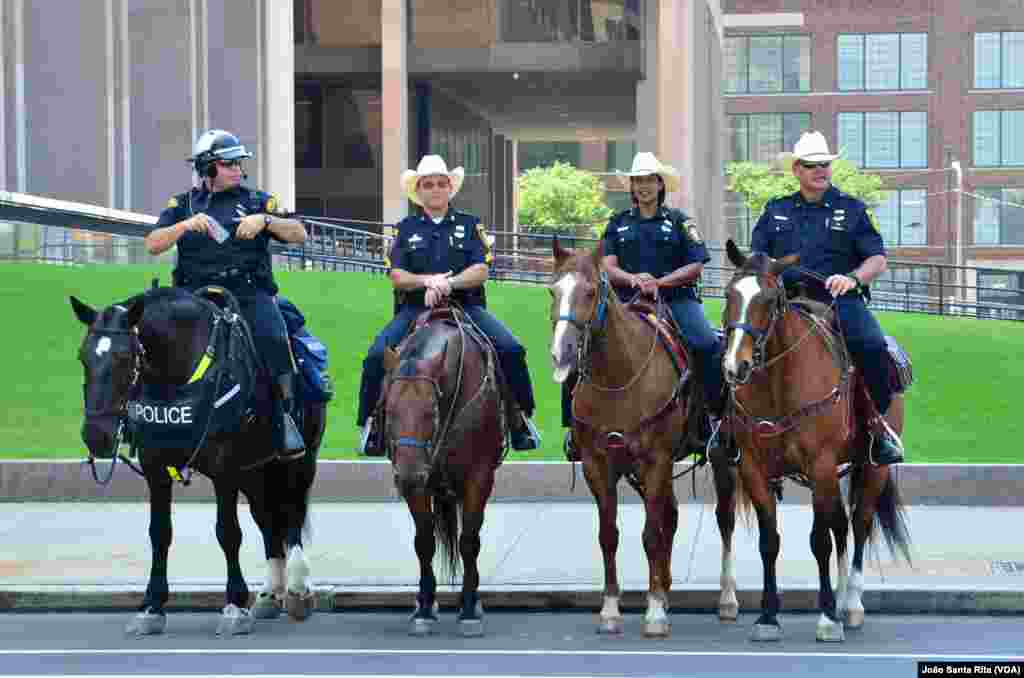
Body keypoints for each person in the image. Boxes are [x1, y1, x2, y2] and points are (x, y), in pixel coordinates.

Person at [357, 155, 541, 455]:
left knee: (511, 349)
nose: (435, 189)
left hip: (466, 307)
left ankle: (520, 419)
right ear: (419, 191)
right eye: (428, 184)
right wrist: (428, 281)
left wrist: (448, 284)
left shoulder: (470, 225)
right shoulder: (404, 228)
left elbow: (481, 270)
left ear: (450, 188)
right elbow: (397, 275)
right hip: (416, 309)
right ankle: (371, 425)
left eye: (441, 183)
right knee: (377, 354)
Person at [144, 129, 308, 456]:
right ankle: (143, 419)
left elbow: (300, 233)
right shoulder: (183, 204)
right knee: (148, 340)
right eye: (228, 163)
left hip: (247, 293)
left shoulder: (258, 200)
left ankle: (284, 418)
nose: (237, 169)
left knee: (274, 337)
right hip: (194, 296)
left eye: (239, 163)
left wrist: (266, 221)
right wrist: (184, 226)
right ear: (207, 169)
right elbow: (152, 244)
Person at [750, 130, 904, 466]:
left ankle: (877, 430)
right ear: (796, 170)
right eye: (811, 165)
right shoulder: (775, 210)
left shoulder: (852, 209)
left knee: (873, 345)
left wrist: (852, 278)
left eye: (825, 164)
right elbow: (757, 258)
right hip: (785, 302)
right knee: (739, 345)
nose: (820, 170)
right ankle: (735, 431)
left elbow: (877, 259)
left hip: (839, 300)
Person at [561, 152, 724, 460]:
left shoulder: (679, 221)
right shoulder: (617, 223)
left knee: (706, 344)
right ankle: (574, 427)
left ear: (661, 185)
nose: (644, 186)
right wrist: (634, 278)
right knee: (578, 344)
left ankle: (715, 420)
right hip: (627, 300)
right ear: (632, 187)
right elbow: (607, 265)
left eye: (650, 180)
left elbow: (695, 266)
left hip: (676, 299)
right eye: (638, 181)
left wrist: (660, 282)